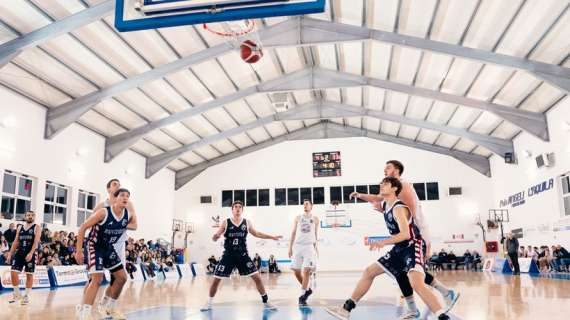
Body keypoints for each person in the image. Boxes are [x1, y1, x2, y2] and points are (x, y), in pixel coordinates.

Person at [327, 177, 451, 320]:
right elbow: (374, 197)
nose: (381, 185)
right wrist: (360, 195)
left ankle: (442, 316)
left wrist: (383, 242)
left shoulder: (398, 208)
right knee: (369, 272)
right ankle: (346, 309)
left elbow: (405, 234)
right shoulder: (386, 203)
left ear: (394, 188)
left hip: (412, 245)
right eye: (381, 183)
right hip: (399, 248)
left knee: (416, 283)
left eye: (385, 184)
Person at [200, 200, 282, 312]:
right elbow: (217, 235)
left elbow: (257, 233)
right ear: (232, 209)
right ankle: (208, 303)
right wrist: (215, 236)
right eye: (235, 207)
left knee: (257, 278)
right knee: (216, 280)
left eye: (240, 207)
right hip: (228, 255)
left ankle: (266, 301)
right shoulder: (226, 222)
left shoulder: (247, 222)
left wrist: (272, 237)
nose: (238, 209)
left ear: (242, 210)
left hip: (243, 255)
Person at [75, 188, 134, 320]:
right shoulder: (103, 212)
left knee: (122, 278)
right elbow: (83, 227)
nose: (125, 198)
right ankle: (85, 314)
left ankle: (109, 307)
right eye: (122, 195)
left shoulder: (128, 215)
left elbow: (135, 225)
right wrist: (78, 250)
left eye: (127, 196)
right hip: (94, 246)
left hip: (108, 247)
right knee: (97, 279)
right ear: (115, 198)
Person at [90, 178, 138, 316]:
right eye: (115, 184)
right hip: (101, 244)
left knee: (118, 278)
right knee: (94, 280)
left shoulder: (128, 204)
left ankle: (106, 304)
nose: (118, 186)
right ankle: (85, 306)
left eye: (119, 184)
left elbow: (134, 224)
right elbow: (90, 223)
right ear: (109, 189)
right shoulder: (102, 206)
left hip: (118, 243)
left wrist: (118, 225)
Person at [6, 211, 41, 305]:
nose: (30, 217)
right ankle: (17, 294)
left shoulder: (37, 227)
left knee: (29, 274)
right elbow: (15, 241)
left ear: (34, 217)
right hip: (19, 252)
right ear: (25, 216)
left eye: (32, 215)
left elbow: (36, 242)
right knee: (13, 272)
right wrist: (10, 254)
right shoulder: (20, 227)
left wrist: (31, 253)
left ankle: (26, 296)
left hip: (31, 253)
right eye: (28, 215)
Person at [288, 199, 319, 306]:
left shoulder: (315, 219)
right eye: (304, 204)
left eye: (307, 204)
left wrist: (316, 248)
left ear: (311, 206)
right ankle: (308, 289)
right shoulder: (298, 218)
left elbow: (315, 234)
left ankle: (302, 296)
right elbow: (293, 233)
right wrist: (290, 247)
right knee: (296, 271)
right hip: (298, 246)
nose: (305, 205)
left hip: (309, 247)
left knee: (306, 271)